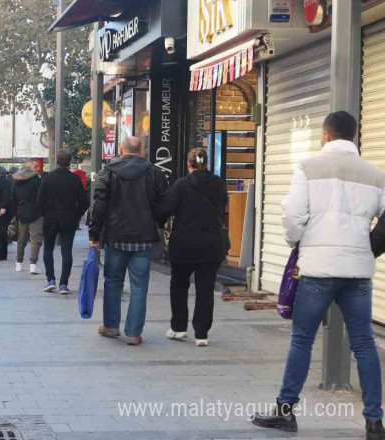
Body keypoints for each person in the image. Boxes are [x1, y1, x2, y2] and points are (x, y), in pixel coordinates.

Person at [251, 112, 385, 439]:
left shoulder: (308, 168)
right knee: (364, 343)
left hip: (317, 270)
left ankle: (285, 412)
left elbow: (293, 215)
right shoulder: (376, 175)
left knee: (302, 340)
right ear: (353, 137)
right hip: (357, 272)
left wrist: (297, 242)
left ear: (326, 135)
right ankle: (374, 422)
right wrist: (367, 248)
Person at [89, 137, 167, 346]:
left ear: (122, 150)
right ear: (141, 151)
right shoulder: (155, 173)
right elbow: (163, 205)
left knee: (113, 282)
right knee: (139, 286)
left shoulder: (108, 172)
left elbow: (99, 205)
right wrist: (157, 223)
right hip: (144, 237)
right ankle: (133, 333)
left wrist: (94, 234)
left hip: (116, 237)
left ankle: (111, 326)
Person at [155, 148, 227, 347]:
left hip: (184, 244)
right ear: (206, 163)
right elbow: (223, 207)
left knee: (179, 284)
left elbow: (165, 209)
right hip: (212, 244)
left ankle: (178, 328)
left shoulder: (182, 185)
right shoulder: (219, 184)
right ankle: (202, 334)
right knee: (206, 289)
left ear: (189, 164)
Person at [37, 149, 90, 295]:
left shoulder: (47, 178)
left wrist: (45, 213)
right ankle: (64, 284)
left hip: (50, 218)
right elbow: (84, 202)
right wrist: (76, 215)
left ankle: (50, 280)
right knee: (67, 251)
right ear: (69, 162)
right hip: (68, 219)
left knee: (48, 248)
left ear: (56, 161)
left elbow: (39, 201)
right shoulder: (74, 179)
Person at [11, 158, 43, 274]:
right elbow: (41, 196)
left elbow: (13, 197)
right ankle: (33, 264)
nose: (37, 169)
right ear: (30, 167)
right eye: (35, 167)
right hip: (36, 213)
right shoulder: (36, 180)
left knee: (21, 239)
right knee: (36, 239)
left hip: (22, 211)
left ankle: (18, 263)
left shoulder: (16, 180)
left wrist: (17, 210)